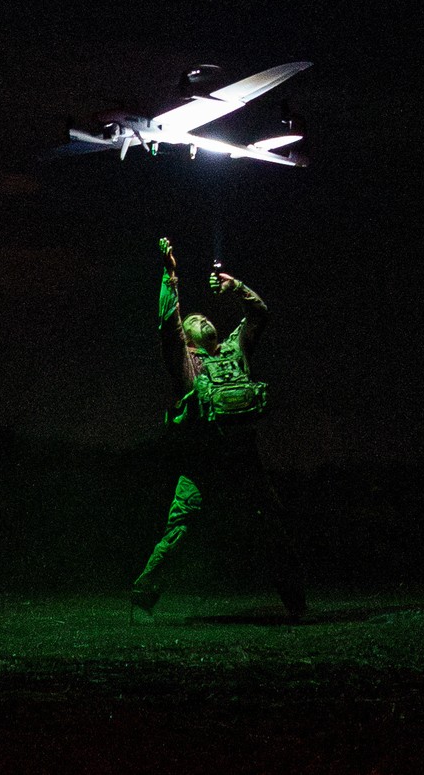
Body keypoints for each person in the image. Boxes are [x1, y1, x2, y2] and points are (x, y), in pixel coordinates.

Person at [129, 237, 307, 623]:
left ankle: (296, 604)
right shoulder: (186, 364)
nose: (202, 320)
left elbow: (260, 314)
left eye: (205, 317)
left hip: (244, 458)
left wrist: (236, 287)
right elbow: (167, 322)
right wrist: (170, 276)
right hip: (202, 461)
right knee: (180, 531)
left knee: (271, 525)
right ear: (189, 338)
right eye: (194, 322)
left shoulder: (233, 349)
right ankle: (142, 598)